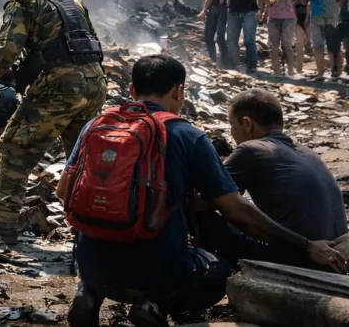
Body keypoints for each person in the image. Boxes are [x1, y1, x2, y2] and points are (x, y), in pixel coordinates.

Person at [63, 55, 348, 327]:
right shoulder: (188, 135)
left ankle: (89, 290)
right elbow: (234, 209)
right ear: (179, 91)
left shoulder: (95, 126)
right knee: (221, 271)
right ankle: (156, 303)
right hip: (156, 275)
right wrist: (305, 245)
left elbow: (64, 192)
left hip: (91, 265)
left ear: (131, 90)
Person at [0, 0, 106, 243]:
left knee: (14, 149)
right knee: (80, 157)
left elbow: (6, 49)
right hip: (94, 84)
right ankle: (86, 229)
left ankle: (3, 226)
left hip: (59, 86)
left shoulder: (23, 1)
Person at [202, 89, 349, 268]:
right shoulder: (307, 151)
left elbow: (208, 202)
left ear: (247, 124)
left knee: (202, 216)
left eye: (232, 125)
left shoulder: (250, 150)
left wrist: (306, 245)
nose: (232, 133)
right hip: (337, 255)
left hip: (304, 258)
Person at [303, 0, 340, 78]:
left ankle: (321, 72)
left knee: (318, 46)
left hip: (317, 17)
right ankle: (332, 71)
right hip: (330, 17)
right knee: (331, 45)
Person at [264, 0, 299, 76]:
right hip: (273, 16)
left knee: (286, 43)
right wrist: (268, 0)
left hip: (288, 16)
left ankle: (290, 68)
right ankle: (276, 68)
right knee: (274, 44)